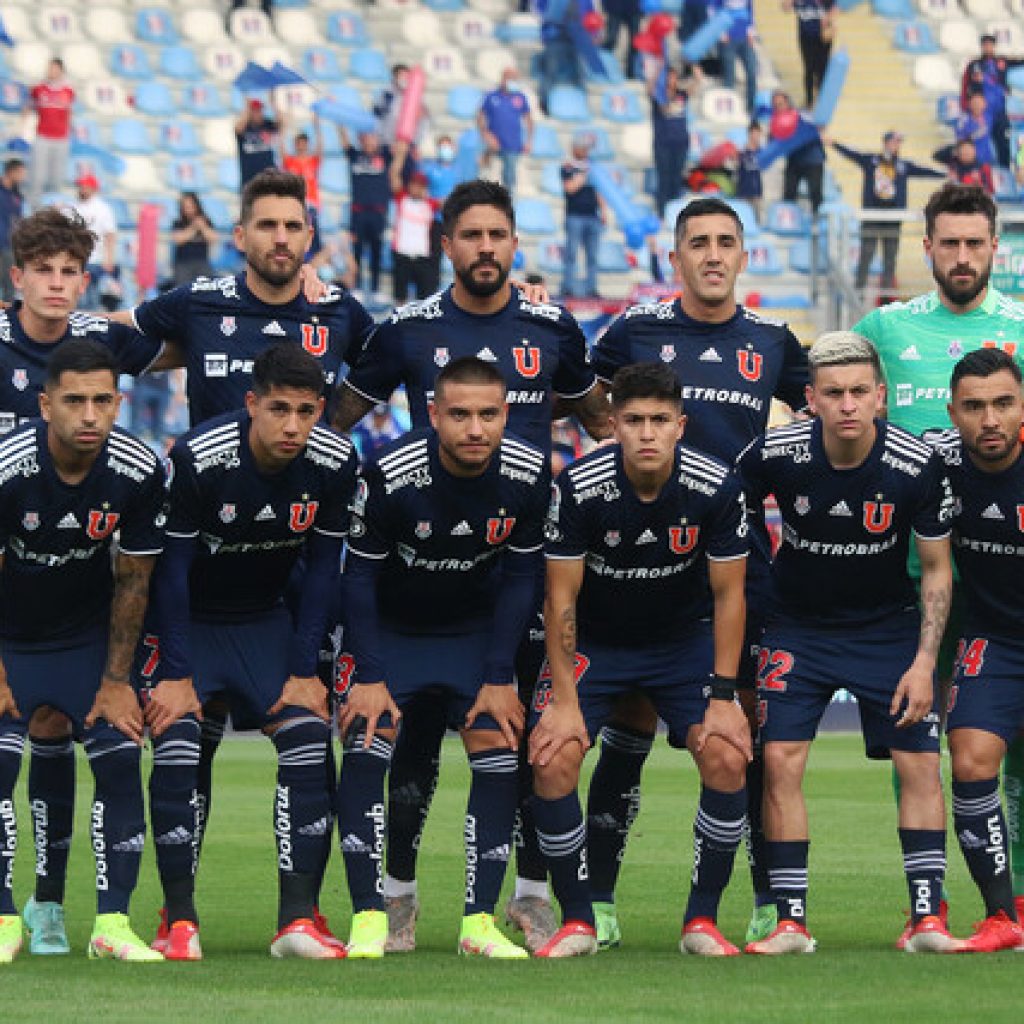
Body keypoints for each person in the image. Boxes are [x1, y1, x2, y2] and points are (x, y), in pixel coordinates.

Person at [332, 178, 611, 955]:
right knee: (412, 750)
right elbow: (338, 418)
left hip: (511, 577)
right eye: (471, 236)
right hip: (417, 572)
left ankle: (525, 900)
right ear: (447, 244)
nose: (485, 248)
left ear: (514, 243)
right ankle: (397, 901)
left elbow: (600, 420)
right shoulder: (406, 330)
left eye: (498, 235)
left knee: (517, 742)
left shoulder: (553, 326)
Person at [586, 195, 809, 948]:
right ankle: (600, 901)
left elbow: (826, 411)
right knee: (628, 727)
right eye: (698, 243)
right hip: (638, 567)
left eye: (726, 242)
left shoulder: (773, 342)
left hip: (736, 567)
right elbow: (584, 402)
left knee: (740, 727)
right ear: (675, 258)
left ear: (744, 255)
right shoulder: (636, 333)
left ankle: (766, 900)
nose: (712, 254)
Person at [738, 331, 960, 954]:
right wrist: (757, 575)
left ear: (881, 397)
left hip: (887, 631)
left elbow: (937, 570)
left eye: (860, 391)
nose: (848, 405)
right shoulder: (777, 453)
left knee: (920, 765)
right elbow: (728, 509)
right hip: (796, 629)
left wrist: (924, 663)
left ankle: (925, 920)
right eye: (833, 393)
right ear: (810, 399)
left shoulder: (917, 465)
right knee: (780, 763)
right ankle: (791, 922)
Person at [140, 343, 357, 960]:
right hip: (190, 624)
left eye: (307, 411)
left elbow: (322, 572)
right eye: (280, 410)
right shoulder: (198, 458)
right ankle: (177, 921)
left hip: (266, 625)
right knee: (179, 745)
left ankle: (296, 922)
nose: (293, 426)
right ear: (252, 404)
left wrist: (302, 670)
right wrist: (176, 673)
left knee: (309, 739)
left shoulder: (337, 460)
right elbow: (171, 573)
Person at [530, 361, 751, 958]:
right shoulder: (579, 486)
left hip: (682, 643)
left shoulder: (716, 486)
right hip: (598, 643)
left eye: (659, 420)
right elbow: (560, 599)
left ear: (680, 425)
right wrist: (564, 703)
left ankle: (701, 921)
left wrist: (726, 699)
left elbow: (731, 596)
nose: (647, 432)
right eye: (633, 420)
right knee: (553, 759)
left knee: (728, 756)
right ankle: (578, 920)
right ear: (613, 425)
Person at [854, 182, 1024, 935]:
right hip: (908, 579)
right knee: (918, 744)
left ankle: (1009, 901)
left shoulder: (1021, 324)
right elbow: (829, 400)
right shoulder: (885, 327)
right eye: (947, 244)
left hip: (997, 577)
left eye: (974, 243)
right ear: (925, 248)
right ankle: (930, 901)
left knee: (1001, 753)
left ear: (995, 248)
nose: (961, 257)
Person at [338, 356, 549, 958]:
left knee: (498, 746)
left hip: (474, 636)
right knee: (366, 746)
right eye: (459, 414)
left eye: (489, 414)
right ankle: (369, 918)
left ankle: (478, 924)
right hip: (393, 634)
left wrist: (498, 674)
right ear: (432, 414)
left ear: (507, 414)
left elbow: (521, 578)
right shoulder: (389, 473)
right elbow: (357, 583)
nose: (475, 428)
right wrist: (370, 675)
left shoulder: (531, 472)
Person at [0, 339, 166, 964]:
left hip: (83, 639)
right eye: (74, 401)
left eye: (103, 400)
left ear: (120, 402)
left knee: (120, 755)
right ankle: (4, 914)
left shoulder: (139, 469)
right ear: (46, 404)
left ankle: (111, 924)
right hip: (10, 637)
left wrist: (116, 678)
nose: (89, 415)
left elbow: (135, 579)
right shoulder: (7, 466)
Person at [925, 349, 1024, 952]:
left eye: (1003, 404)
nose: (990, 418)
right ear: (953, 413)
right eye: (975, 406)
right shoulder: (935, 462)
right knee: (969, 759)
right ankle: (999, 917)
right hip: (993, 640)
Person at [827, 130, 944, 300]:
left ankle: (886, 298)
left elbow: (924, 170)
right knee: (866, 255)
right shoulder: (871, 161)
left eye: (898, 142)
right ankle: (858, 293)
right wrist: (834, 143)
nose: (896, 146)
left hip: (893, 218)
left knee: (890, 259)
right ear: (885, 143)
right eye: (893, 142)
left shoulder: (903, 165)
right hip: (872, 217)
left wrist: (946, 174)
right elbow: (852, 153)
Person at [339, 126, 392, 304]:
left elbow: (399, 146)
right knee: (358, 251)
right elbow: (344, 139)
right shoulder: (355, 155)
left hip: (378, 214)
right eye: (366, 137)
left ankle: (376, 288)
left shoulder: (384, 156)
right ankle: (358, 286)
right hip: (358, 213)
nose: (370, 141)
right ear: (361, 139)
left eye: (372, 137)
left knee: (376, 251)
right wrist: (341, 121)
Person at [961, 34, 1024, 171]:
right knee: (981, 143)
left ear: (994, 46)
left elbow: (1019, 62)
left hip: (1000, 110)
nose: (988, 47)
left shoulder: (1001, 62)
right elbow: (966, 86)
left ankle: (1005, 172)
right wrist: (966, 107)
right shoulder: (974, 65)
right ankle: (979, 173)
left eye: (990, 44)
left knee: (1003, 143)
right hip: (983, 111)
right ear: (982, 46)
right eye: (985, 45)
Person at [25, 58, 74, 210]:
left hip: (60, 138)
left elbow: (69, 112)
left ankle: (53, 210)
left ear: (61, 70)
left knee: (57, 177)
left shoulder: (68, 91)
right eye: (49, 68)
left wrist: (68, 131)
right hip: (43, 136)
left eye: (54, 68)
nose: (51, 71)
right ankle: (34, 209)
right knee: (38, 176)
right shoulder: (39, 89)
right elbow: (29, 107)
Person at [561, 134, 606, 299]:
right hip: (575, 216)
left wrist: (604, 211)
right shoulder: (568, 167)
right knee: (571, 254)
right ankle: (568, 287)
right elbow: (570, 188)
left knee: (592, 255)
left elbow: (599, 191)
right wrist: (585, 175)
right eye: (583, 148)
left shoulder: (592, 167)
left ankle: (591, 288)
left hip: (592, 216)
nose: (585, 151)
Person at [648, 64, 696, 218]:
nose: (672, 80)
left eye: (674, 77)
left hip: (681, 143)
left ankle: (676, 214)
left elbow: (694, 87)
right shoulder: (659, 95)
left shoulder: (681, 94)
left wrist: (696, 74)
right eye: (669, 76)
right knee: (664, 178)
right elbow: (651, 92)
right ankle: (662, 212)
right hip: (663, 144)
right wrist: (655, 75)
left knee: (677, 178)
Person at [389, 165, 441, 303]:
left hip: (422, 256)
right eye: (414, 185)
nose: (417, 188)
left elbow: (450, 202)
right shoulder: (402, 199)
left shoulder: (430, 204)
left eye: (421, 186)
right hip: (402, 253)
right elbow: (393, 176)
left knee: (424, 299)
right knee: (400, 297)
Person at [478, 68, 534, 194]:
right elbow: (480, 117)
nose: (513, 81)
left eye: (515, 78)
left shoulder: (520, 97)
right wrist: (485, 134)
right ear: (503, 79)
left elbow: (529, 119)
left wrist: (529, 140)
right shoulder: (491, 96)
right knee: (487, 177)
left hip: (512, 145)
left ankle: (507, 205)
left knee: (509, 180)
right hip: (493, 145)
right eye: (510, 78)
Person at [770, 91, 826, 213]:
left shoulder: (801, 115)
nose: (778, 107)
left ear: (787, 103)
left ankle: (819, 222)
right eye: (775, 105)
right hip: (794, 160)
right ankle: (788, 221)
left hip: (813, 159)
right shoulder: (775, 121)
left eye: (780, 104)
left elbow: (817, 129)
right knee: (789, 193)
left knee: (816, 193)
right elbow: (773, 142)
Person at [70, 175, 118, 311]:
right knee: (78, 297)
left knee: (92, 297)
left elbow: (110, 234)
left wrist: (109, 258)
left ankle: (89, 328)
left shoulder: (102, 208)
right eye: (80, 186)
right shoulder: (74, 207)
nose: (81, 189)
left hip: (95, 259)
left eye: (84, 186)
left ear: (93, 188)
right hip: (76, 258)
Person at [783, 0, 835, 108]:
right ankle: (809, 100)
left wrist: (828, 18)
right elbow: (785, 8)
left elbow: (835, 8)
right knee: (809, 68)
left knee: (823, 68)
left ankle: (822, 97)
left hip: (823, 36)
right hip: (806, 36)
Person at [709, 0, 757, 113]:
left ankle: (751, 107)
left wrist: (751, 32)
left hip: (745, 38)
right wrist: (720, 33)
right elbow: (711, 11)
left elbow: (750, 11)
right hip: (728, 40)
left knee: (752, 71)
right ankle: (728, 109)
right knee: (729, 76)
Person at [169, 192, 216, 287]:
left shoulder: (206, 221)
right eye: (185, 206)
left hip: (202, 262)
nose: (188, 209)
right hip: (183, 263)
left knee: (206, 292)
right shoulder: (178, 223)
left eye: (191, 206)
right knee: (183, 293)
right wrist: (193, 228)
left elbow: (213, 239)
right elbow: (178, 240)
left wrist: (203, 227)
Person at [235, 98, 281, 190]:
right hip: (249, 177)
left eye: (259, 110)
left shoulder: (268, 124)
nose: (257, 113)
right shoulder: (245, 126)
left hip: (269, 176)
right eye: (254, 110)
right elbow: (238, 129)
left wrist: (274, 105)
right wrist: (246, 110)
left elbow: (281, 124)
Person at [281, 119, 323, 215]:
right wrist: (283, 128)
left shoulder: (313, 161)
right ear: (295, 145)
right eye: (298, 143)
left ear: (307, 144)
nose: (301, 146)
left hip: (311, 203)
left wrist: (317, 128)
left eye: (303, 143)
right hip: (293, 202)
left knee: (311, 229)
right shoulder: (289, 161)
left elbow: (320, 147)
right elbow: (281, 145)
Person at [0, 158, 26, 302]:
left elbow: (18, 221)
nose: (23, 177)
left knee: (9, 286)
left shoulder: (17, 195)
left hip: (8, 246)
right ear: (11, 172)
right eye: (21, 173)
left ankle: (5, 320)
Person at [735, 121, 764, 223]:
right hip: (743, 191)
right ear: (749, 134)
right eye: (754, 133)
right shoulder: (741, 153)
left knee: (756, 220)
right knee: (742, 221)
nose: (756, 136)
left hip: (757, 191)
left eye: (758, 133)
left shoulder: (763, 153)